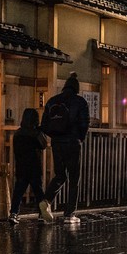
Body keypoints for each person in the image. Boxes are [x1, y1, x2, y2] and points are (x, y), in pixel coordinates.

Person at [39, 72, 90, 224]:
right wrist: (80, 138)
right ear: (76, 89)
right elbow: (84, 123)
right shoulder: (80, 102)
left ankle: (46, 202)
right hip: (73, 143)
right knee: (74, 178)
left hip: (57, 143)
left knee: (60, 175)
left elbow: (44, 125)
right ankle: (69, 214)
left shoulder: (52, 101)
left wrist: (55, 136)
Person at [9, 108, 47, 224]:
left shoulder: (18, 133)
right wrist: (41, 131)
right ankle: (42, 214)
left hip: (21, 166)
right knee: (38, 191)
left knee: (18, 191)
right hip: (34, 166)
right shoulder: (36, 133)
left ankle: (13, 213)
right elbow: (43, 145)